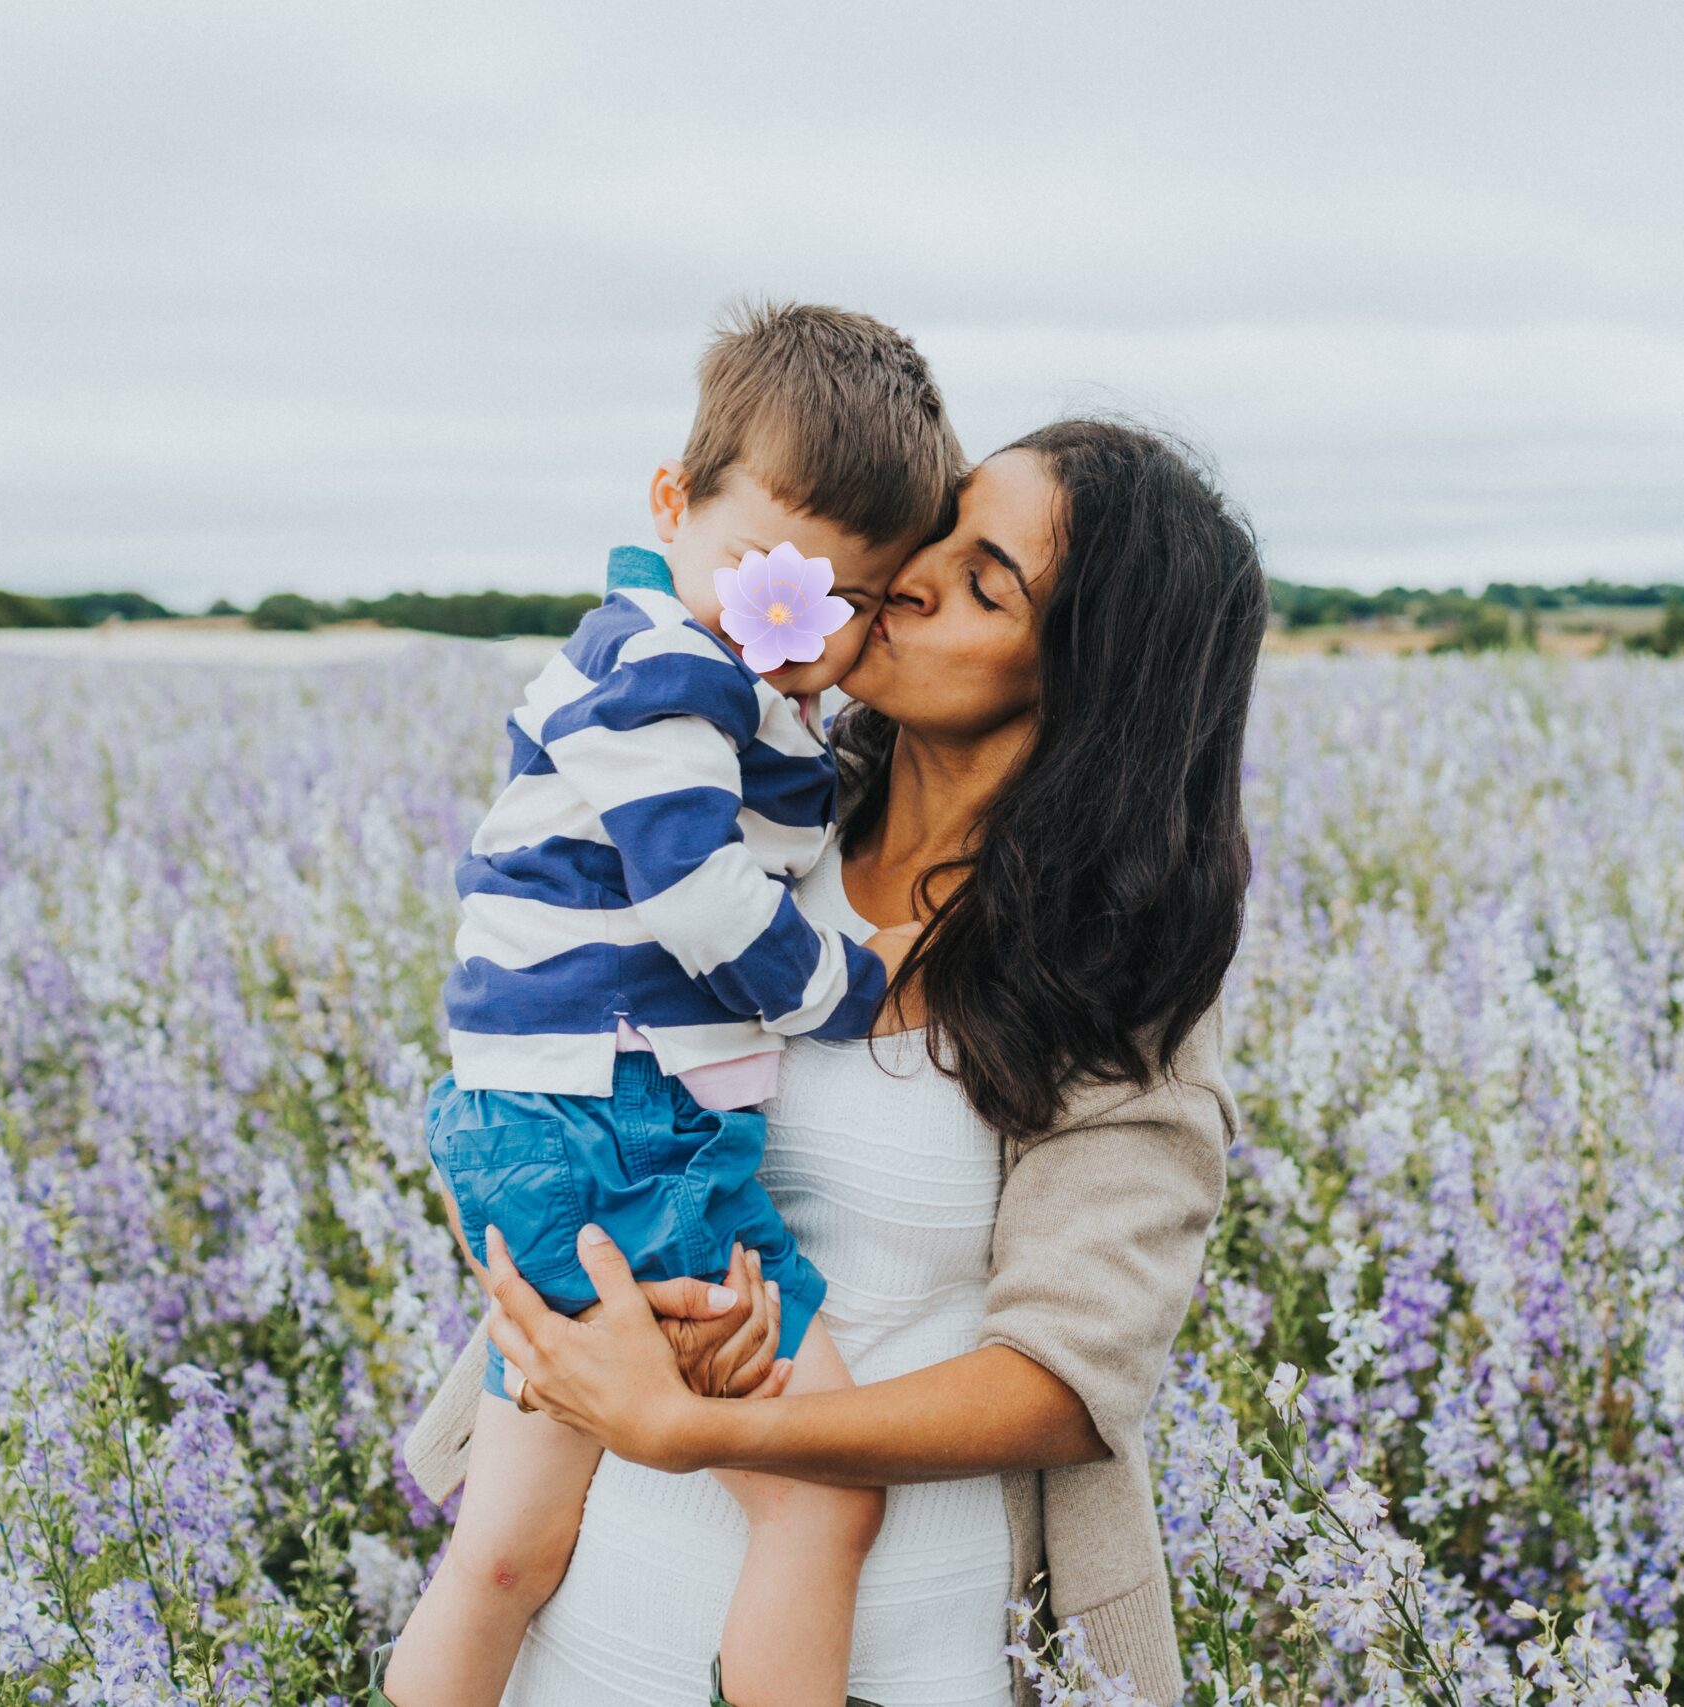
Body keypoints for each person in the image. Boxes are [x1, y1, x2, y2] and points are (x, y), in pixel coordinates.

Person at [398, 419, 1269, 1706]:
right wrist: (585, 1300)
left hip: (900, 1649)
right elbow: (540, 1070)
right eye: (938, 535)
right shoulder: (737, 822)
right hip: (585, 1620)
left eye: (987, 583)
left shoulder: (1112, 968)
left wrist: (710, 1430)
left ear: (1087, 677)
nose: (909, 579)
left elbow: (1069, 1385)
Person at [380, 302, 965, 1707]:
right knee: (825, 1501)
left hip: (574, 1113)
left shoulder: (707, 672)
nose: (796, 623)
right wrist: (846, 982)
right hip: (627, 1120)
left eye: (846, 600)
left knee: (508, 1547)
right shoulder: (666, 666)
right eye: (778, 574)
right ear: (669, 500)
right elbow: (702, 898)